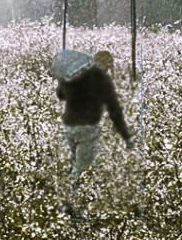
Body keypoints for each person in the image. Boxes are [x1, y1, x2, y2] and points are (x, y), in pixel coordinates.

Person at [49, 49, 134, 199]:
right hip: (87, 129)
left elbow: (60, 95)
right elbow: (114, 111)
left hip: (69, 127)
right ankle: (73, 202)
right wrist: (126, 136)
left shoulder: (77, 75)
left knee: (74, 164)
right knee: (82, 169)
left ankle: (69, 198)